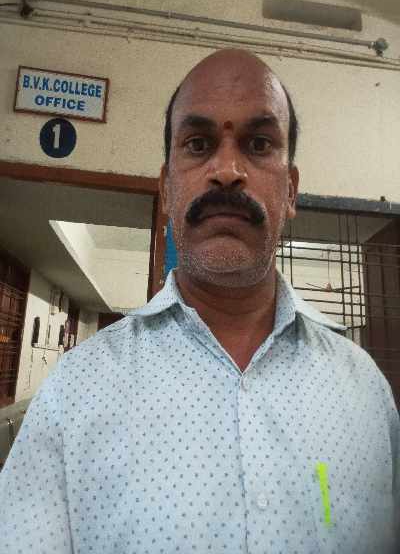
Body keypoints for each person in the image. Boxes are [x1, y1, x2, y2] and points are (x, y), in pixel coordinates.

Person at [0, 48, 398, 553]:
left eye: (258, 143)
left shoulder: (363, 388)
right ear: (167, 189)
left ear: (291, 191)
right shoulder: (76, 391)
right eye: (198, 144)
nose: (227, 170)